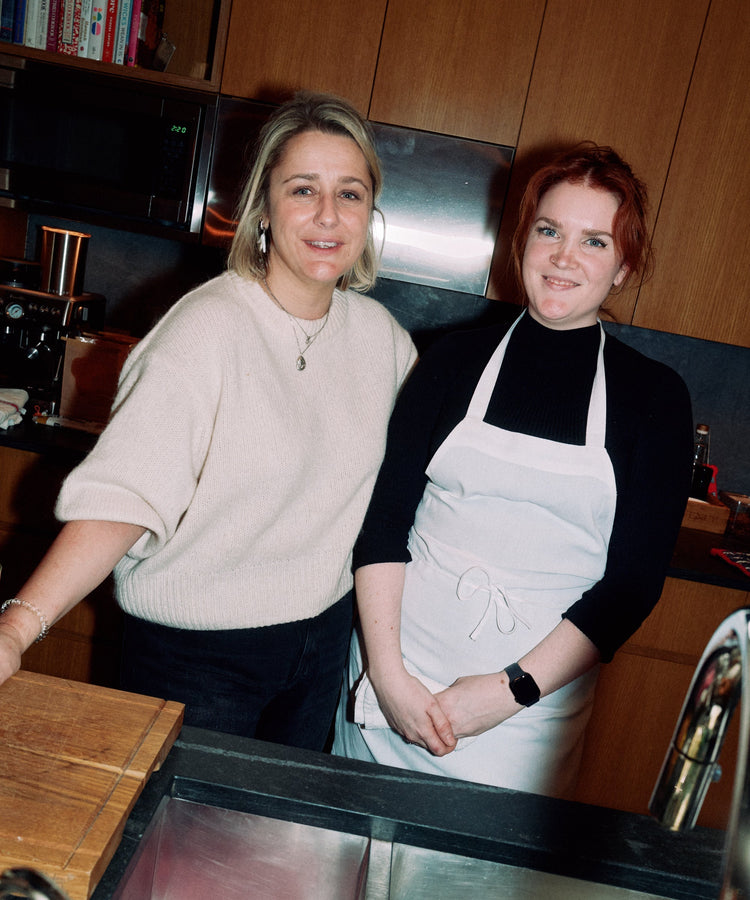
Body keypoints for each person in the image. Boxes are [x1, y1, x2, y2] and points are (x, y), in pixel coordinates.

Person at [0, 92, 417, 751]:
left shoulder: (384, 343)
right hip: (196, 659)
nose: (328, 216)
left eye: (351, 193)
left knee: (280, 849)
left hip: (320, 650)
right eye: (303, 189)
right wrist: (18, 628)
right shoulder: (204, 333)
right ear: (263, 207)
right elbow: (126, 495)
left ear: (371, 212)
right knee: (172, 852)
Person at [333, 144, 693, 798]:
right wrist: (389, 680)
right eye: (549, 231)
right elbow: (382, 525)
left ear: (623, 267)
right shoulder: (449, 361)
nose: (563, 256)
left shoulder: (654, 399)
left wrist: (509, 692)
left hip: (525, 721)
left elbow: (632, 586)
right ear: (521, 240)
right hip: (393, 689)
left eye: (594, 241)